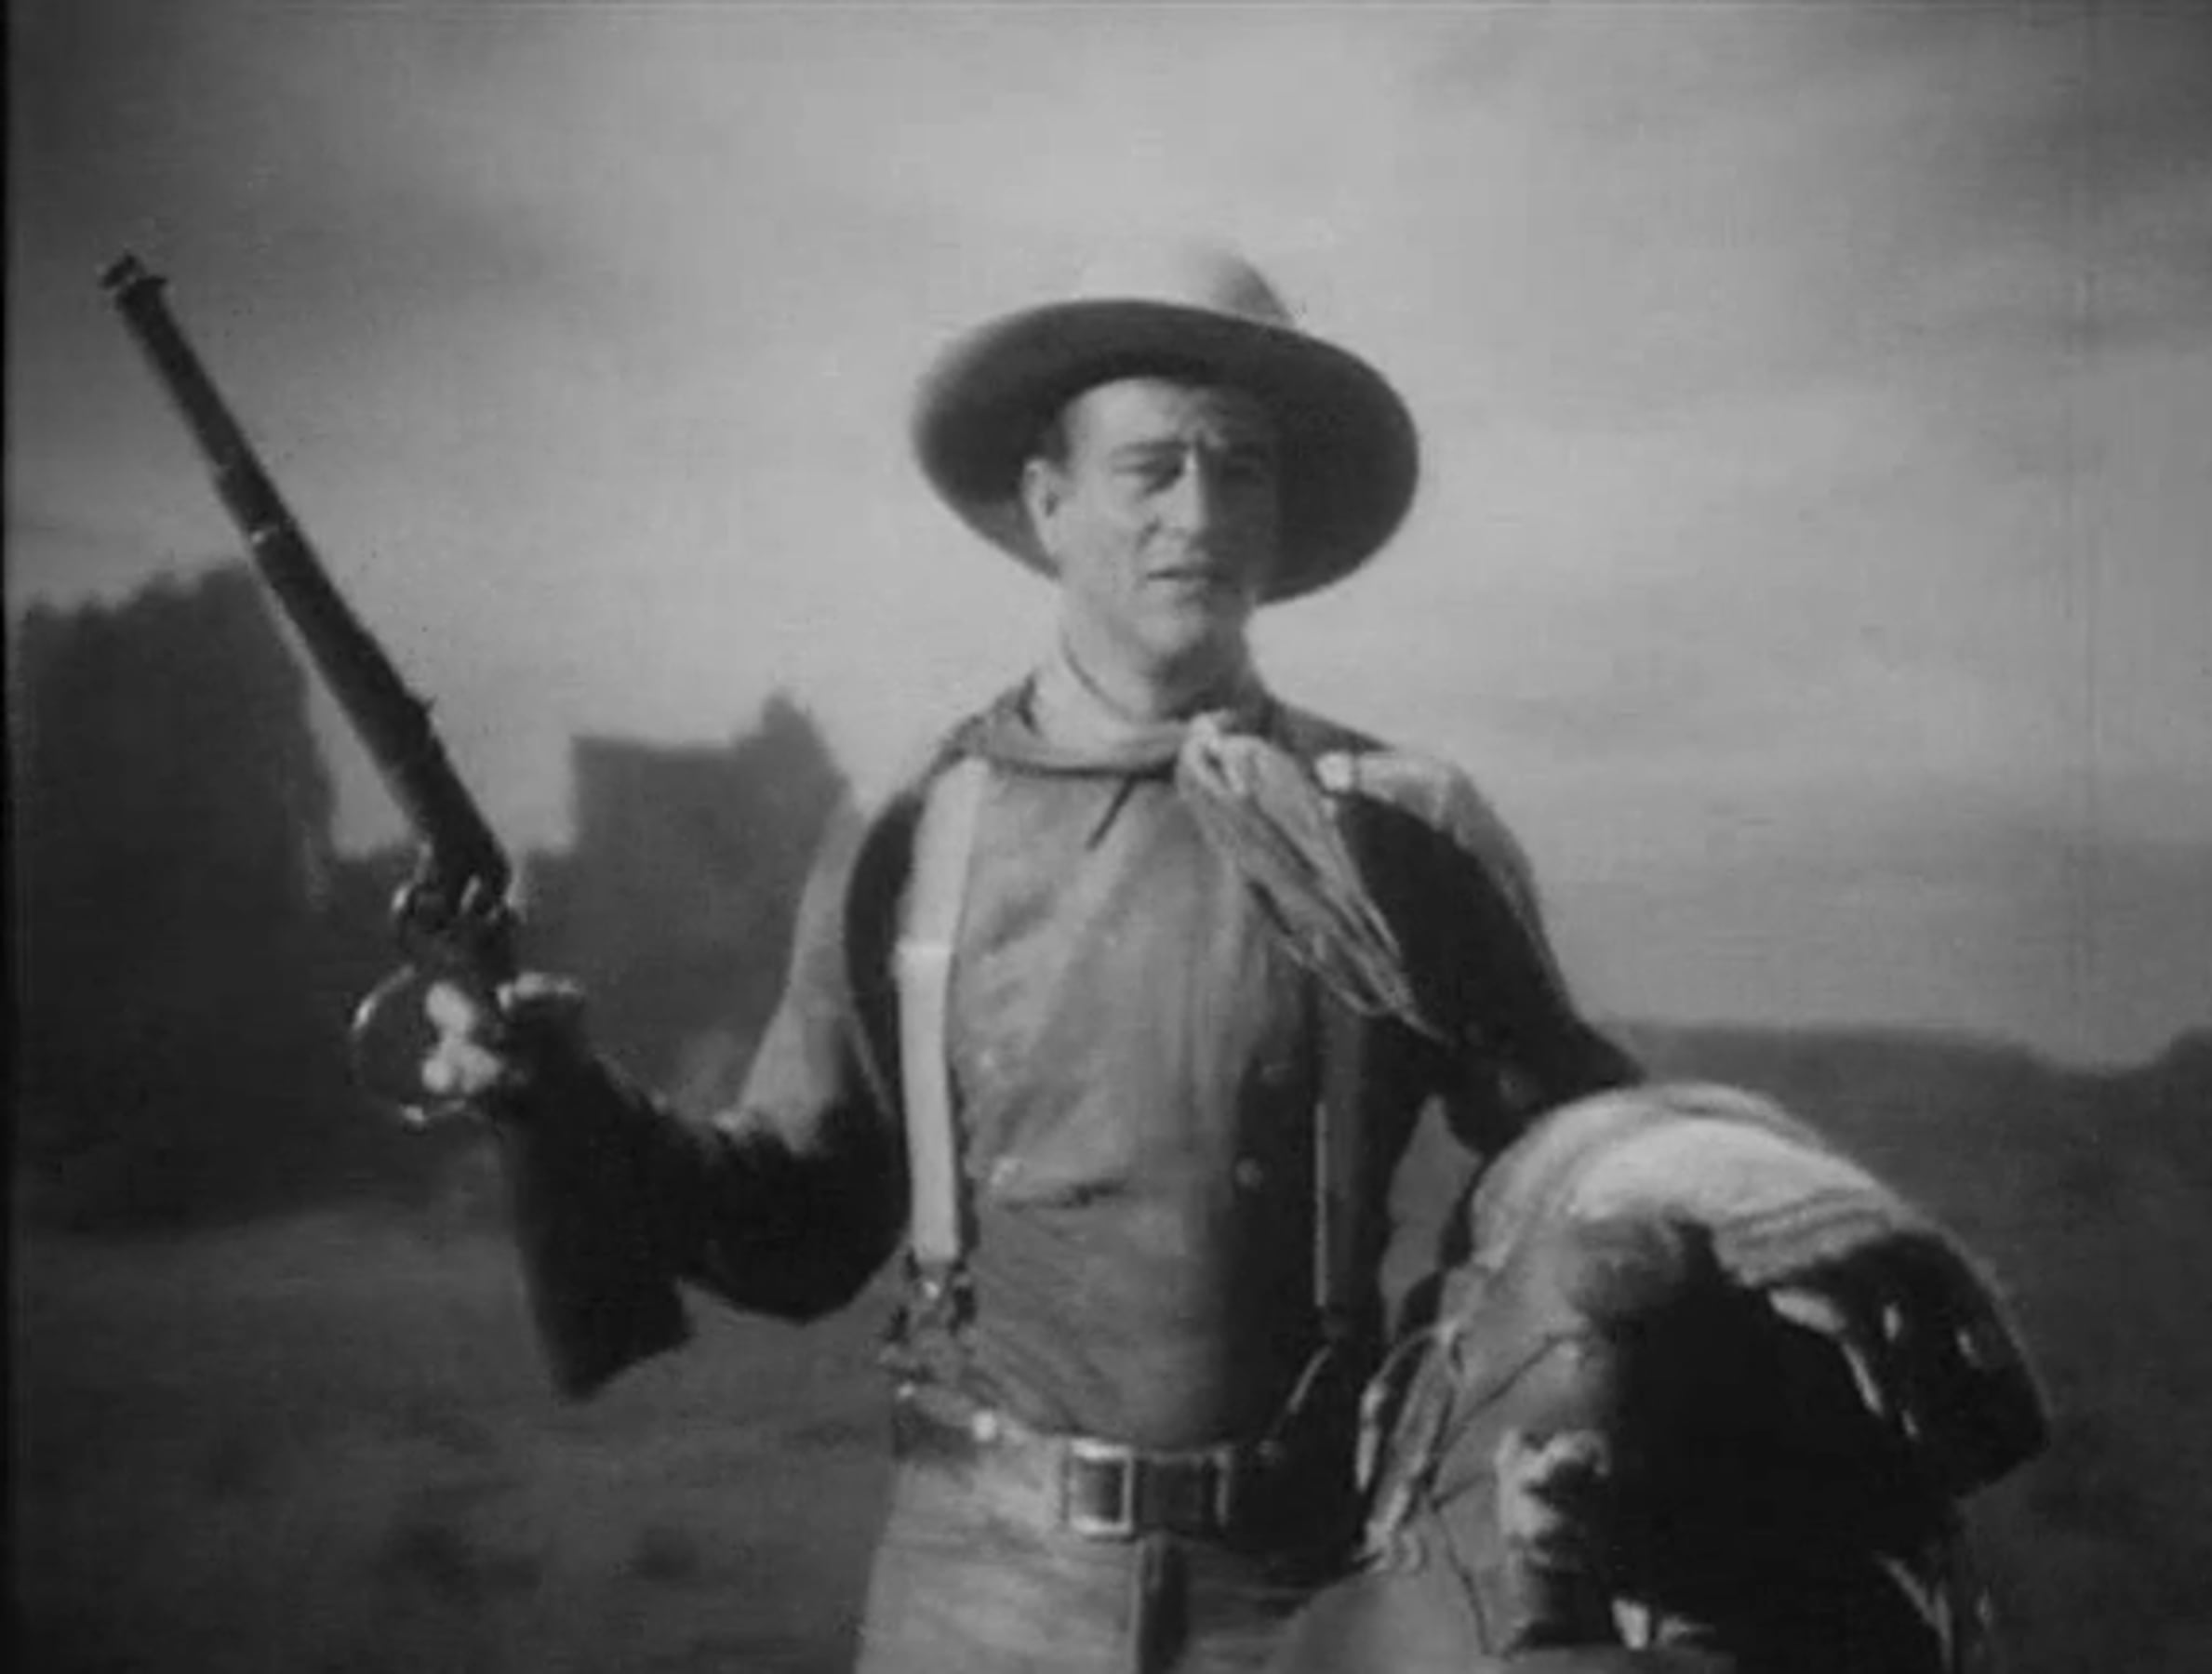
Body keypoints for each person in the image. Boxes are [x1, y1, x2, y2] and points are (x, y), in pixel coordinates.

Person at [424, 244, 1641, 1674]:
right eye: (1152, 469)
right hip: (976, 1599)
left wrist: (1518, 1419)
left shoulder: (1402, 833)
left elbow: (1586, 1187)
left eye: (1241, 470)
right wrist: (564, 1099)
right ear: (1050, 503)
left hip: (1299, 1601)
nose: (1201, 515)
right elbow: (797, 1230)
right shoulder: (918, 831)